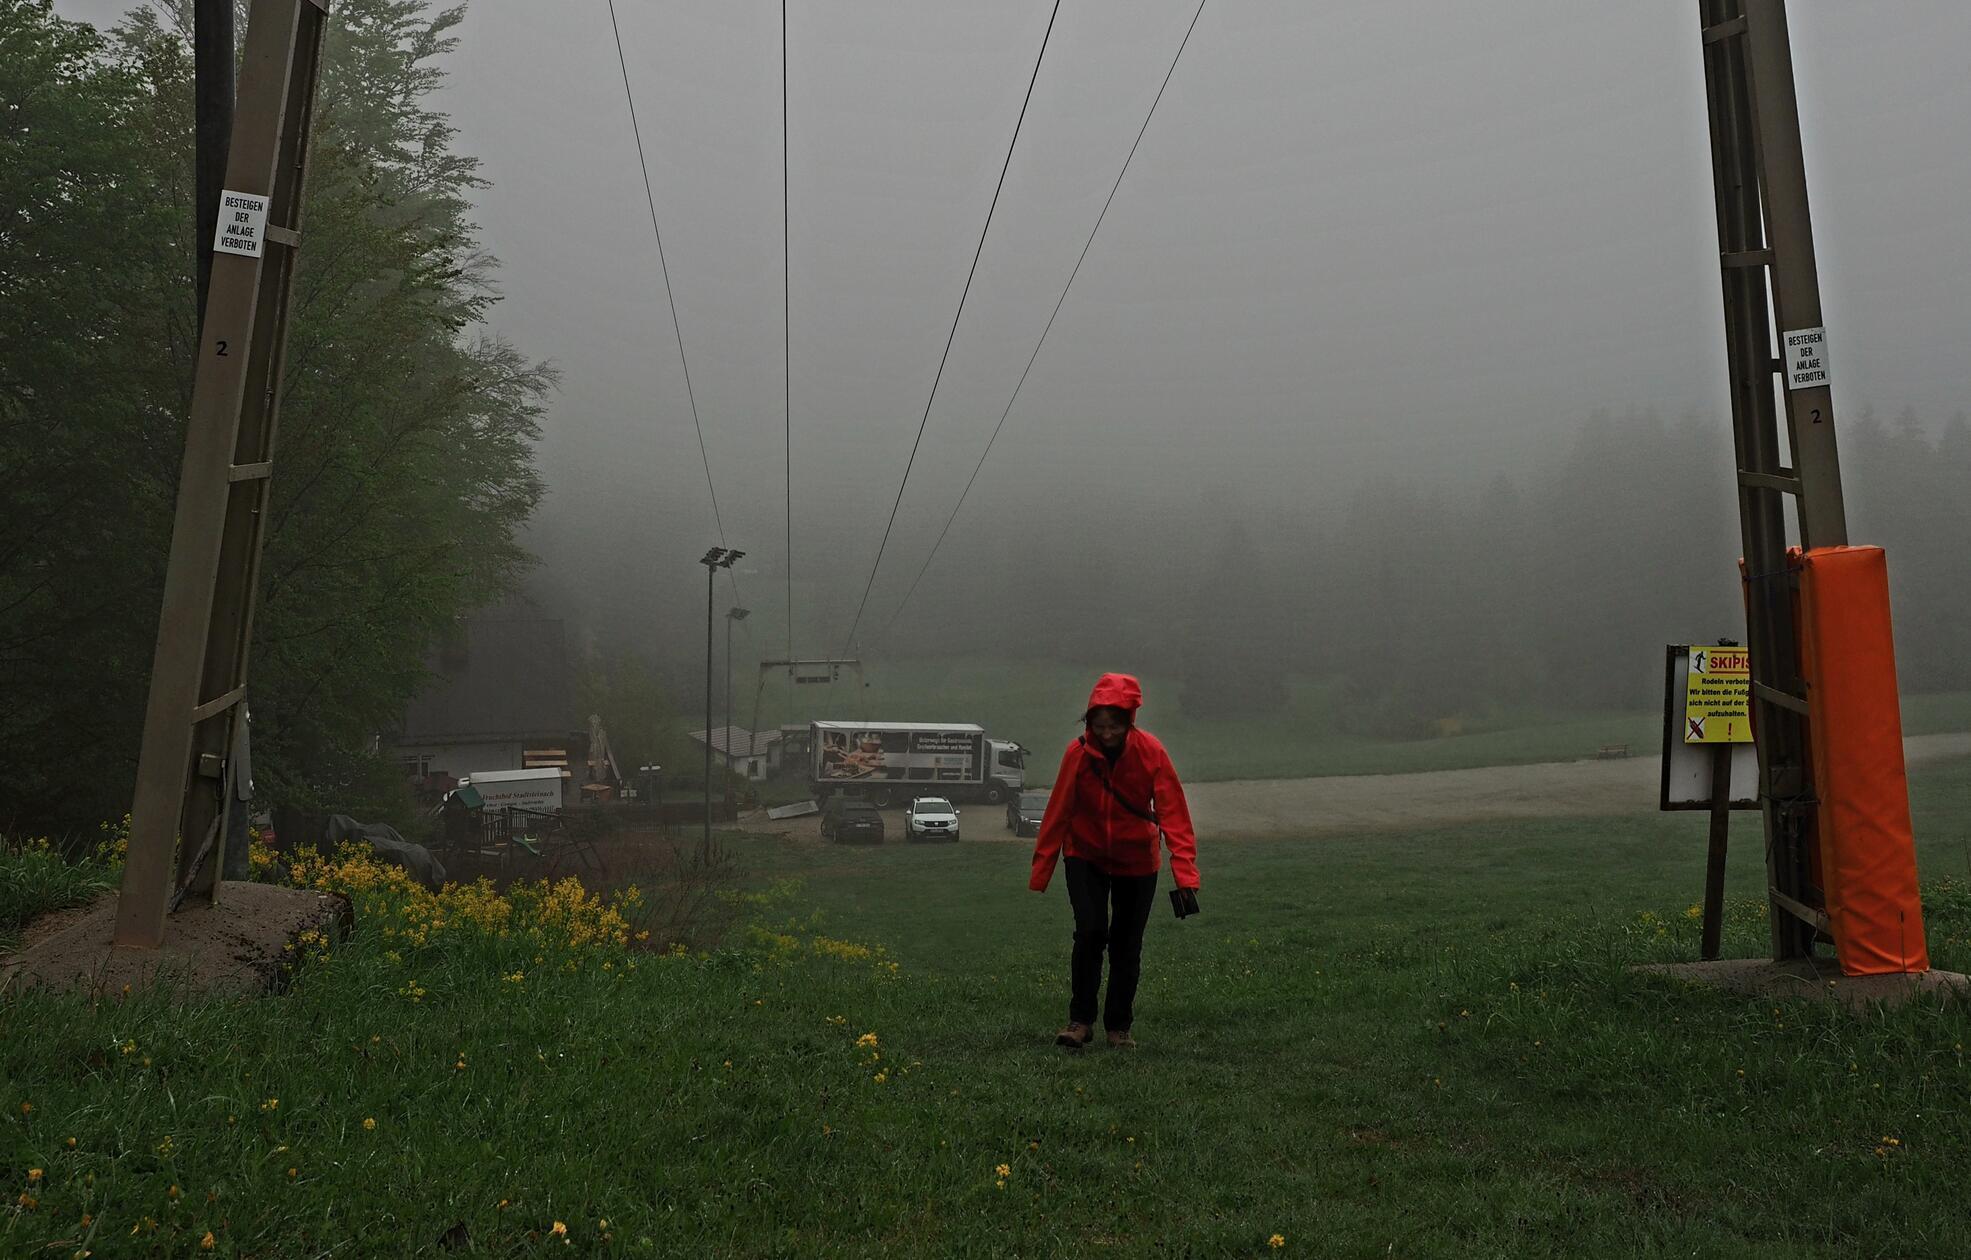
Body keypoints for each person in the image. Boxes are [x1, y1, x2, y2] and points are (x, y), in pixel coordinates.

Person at [1029, 673, 1199, 1049]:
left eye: (1114, 726)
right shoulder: (1076, 754)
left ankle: (1119, 1028)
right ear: (1089, 722)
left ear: (1129, 721)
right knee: (1089, 933)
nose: (1106, 733)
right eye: (1099, 726)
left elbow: (1174, 814)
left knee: (1126, 943)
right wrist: (1042, 869)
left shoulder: (1151, 752)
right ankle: (1079, 1022)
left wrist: (1185, 875)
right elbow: (1058, 810)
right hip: (1084, 854)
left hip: (1137, 861)